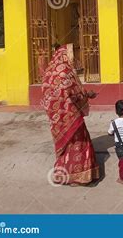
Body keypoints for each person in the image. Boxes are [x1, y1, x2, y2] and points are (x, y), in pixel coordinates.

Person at [41, 43, 100, 185]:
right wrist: (87, 95)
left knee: (66, 146)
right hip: (71, 115)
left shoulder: (50, 72)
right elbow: (72, 94)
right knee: (79, 144)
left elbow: (51, 96)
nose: (73, 57)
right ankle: (81, 176)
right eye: (72, 54)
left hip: (57, 119)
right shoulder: (64, 72)